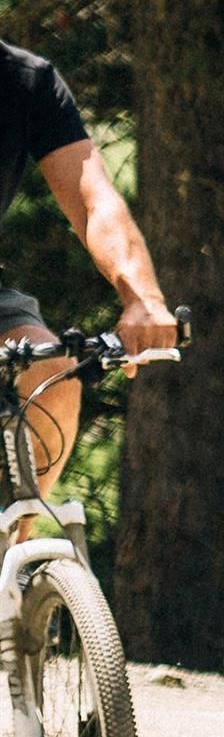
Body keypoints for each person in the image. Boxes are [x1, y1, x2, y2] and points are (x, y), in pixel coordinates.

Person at [1, 40, 182, 512]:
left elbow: (92, 201)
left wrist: (142, 298)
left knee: (54, 377)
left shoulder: (26, 81)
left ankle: (16, 558)